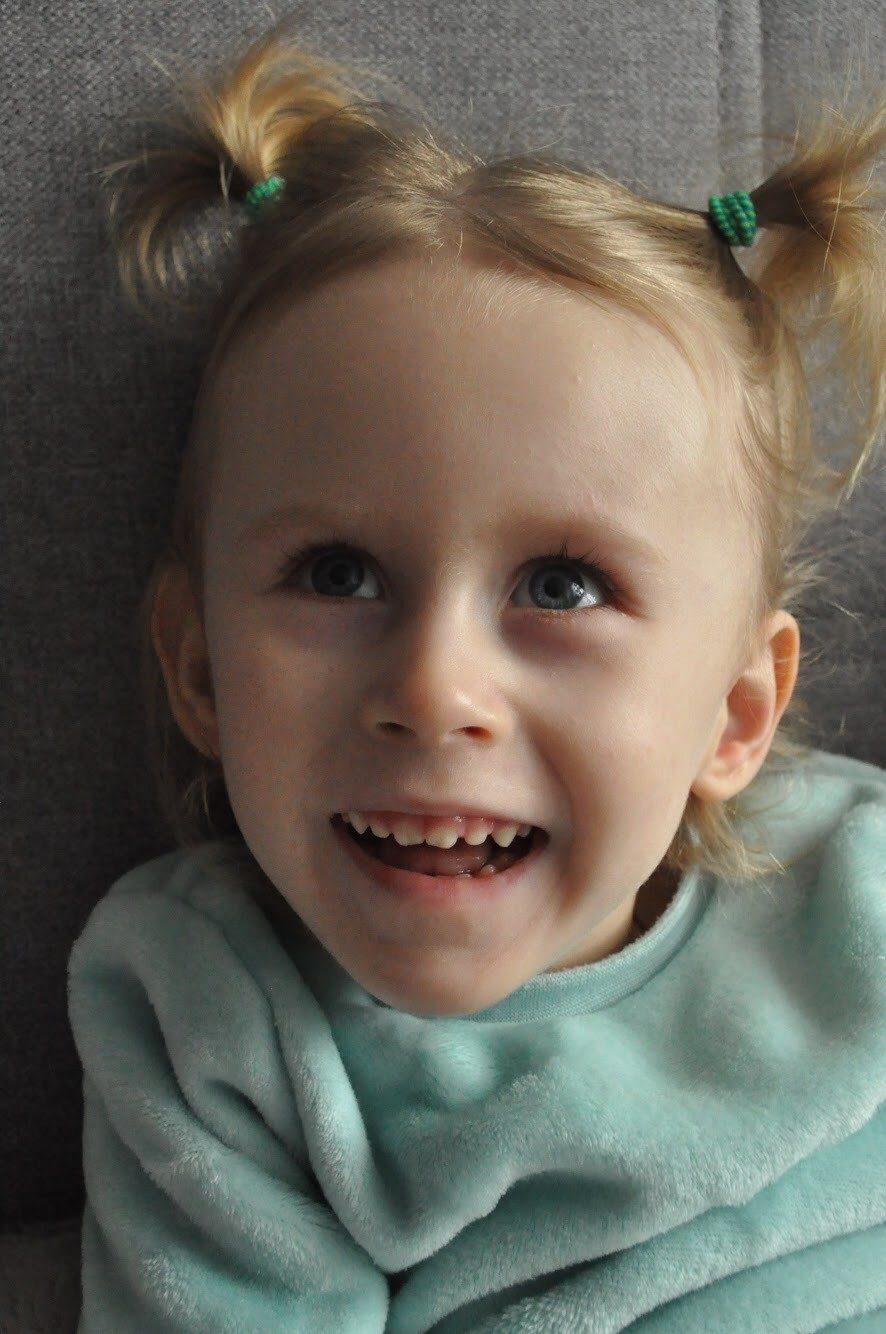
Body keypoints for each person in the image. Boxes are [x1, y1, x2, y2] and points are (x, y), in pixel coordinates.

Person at [67, 12, 886, 1330]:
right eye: (338, 574)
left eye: (561, 587)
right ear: (200, 668)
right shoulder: (213, 1013)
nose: (435, 689)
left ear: (736, 712)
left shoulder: (856, 890)